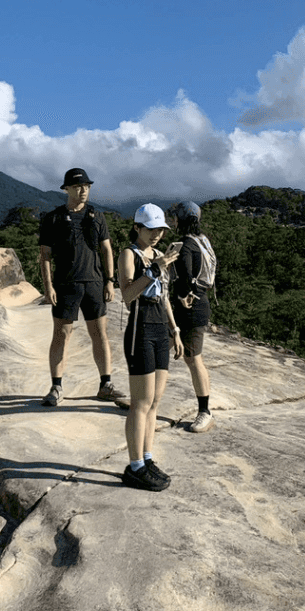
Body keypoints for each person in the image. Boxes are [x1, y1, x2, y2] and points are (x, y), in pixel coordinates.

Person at [38, 167, 127, 408]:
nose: (83, 190)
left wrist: (110, 281)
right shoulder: (53, 218)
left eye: (86, 186)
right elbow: (45, 255)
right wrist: (48, 287)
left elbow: (107, 249)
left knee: (100, 334)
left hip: (94, 283)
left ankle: (106, 385)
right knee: (61, 334)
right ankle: (56, 386)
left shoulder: (97, 216)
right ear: (66, 189)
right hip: (65, 284)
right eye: (77, 187)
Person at [117, 204, 183, 491]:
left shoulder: (158, 255)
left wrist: (174, 329)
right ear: (137, 228)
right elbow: (127, 295)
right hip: (140, 326)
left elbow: (164, 296)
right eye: (151, 229)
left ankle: (146, 458)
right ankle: (135, 467)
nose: (157, 234)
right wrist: (154, 270)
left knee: (155, 401)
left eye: (161, 230)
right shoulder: (129, 254)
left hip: (159, 326)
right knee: (141, 403)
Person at [167, 201, 215, 432]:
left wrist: (180, 296)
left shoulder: (186, 245)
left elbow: (184, 276)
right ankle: (143, 399)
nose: (173, 221)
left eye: (175, 217)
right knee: (167, 352)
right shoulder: (202, 240)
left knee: (193, 359)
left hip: (189, 307)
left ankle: (205, 412)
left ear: (182, 219)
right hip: (200, 303)